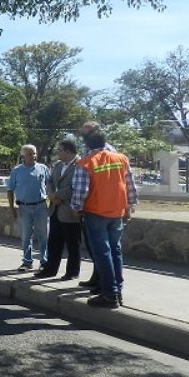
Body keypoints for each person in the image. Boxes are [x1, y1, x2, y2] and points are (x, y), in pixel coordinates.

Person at [71, 129, 138, 308]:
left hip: (96, 213)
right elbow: (130, 185)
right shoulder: (121, 158)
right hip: (117, 213)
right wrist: (130, 206)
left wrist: (76, 208)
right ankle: (117, 290)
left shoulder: (85, 162)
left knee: (103, 254)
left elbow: (80, 192)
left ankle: (109, 294)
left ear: (86, 144)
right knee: (115, 251)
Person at [34, 140, 81, 280]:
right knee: (54, 242)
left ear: (67, 151)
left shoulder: (80, 165)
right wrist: (51, 196)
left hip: (70, 211)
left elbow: (75, 187)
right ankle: (50, 269)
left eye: (59, 150)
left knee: (73, 244)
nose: (57, 153)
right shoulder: (58, 165)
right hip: (55, 208)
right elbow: (49, 182)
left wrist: (57, 195)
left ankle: (72, 272)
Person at [77, 121, 116, 290]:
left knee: (106, 250)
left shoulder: (110, 152)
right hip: (95, 207)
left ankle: (108, 287)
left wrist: (76, 207)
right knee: (97, 248)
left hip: (103, 208)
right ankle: (100, 278)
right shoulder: (87, 153)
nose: (84, 138)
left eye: (87, 134)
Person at [7, 144, 51, 272]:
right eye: (30, 154)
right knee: (26, 236)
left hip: (41, 206)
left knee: (44, 236)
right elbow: (10, 190)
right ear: (23, 156)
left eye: (34, 153)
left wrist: (51, 204)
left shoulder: (43, 168)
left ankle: (44, 261)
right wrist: (11, 208)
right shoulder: (17, 171)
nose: (33, 156)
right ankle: (27, 262)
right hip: (24, 208)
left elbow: (50, 186)